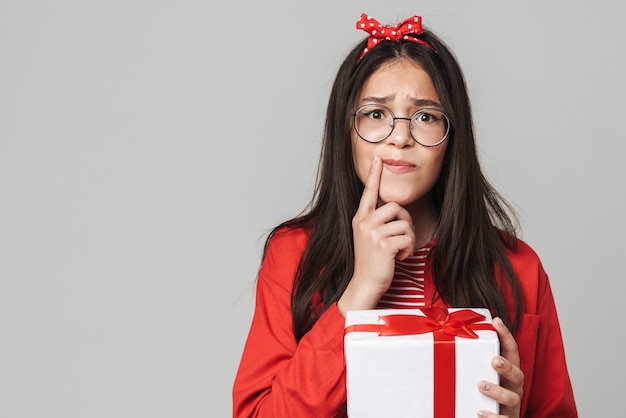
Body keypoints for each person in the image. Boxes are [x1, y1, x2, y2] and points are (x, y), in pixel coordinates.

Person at [232, 13, 577, 418]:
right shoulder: (293, 253)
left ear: (453, 138)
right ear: (346, 131)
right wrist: (358, 292)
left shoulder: (519, 268)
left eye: (425, 116)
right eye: (376, 114)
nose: (400, 136)